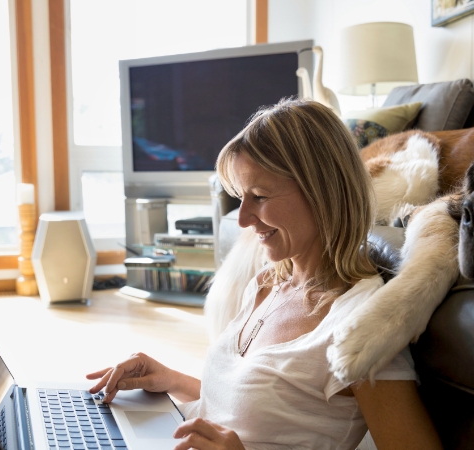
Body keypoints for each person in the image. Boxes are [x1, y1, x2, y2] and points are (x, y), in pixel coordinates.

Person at [87, 99, 442, 450]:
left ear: (321, 192)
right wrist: (169, 380)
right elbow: (256, 416)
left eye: (259, 196)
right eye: (242, 196)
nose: (242, 219)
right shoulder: (267, 284)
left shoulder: (362, 328)